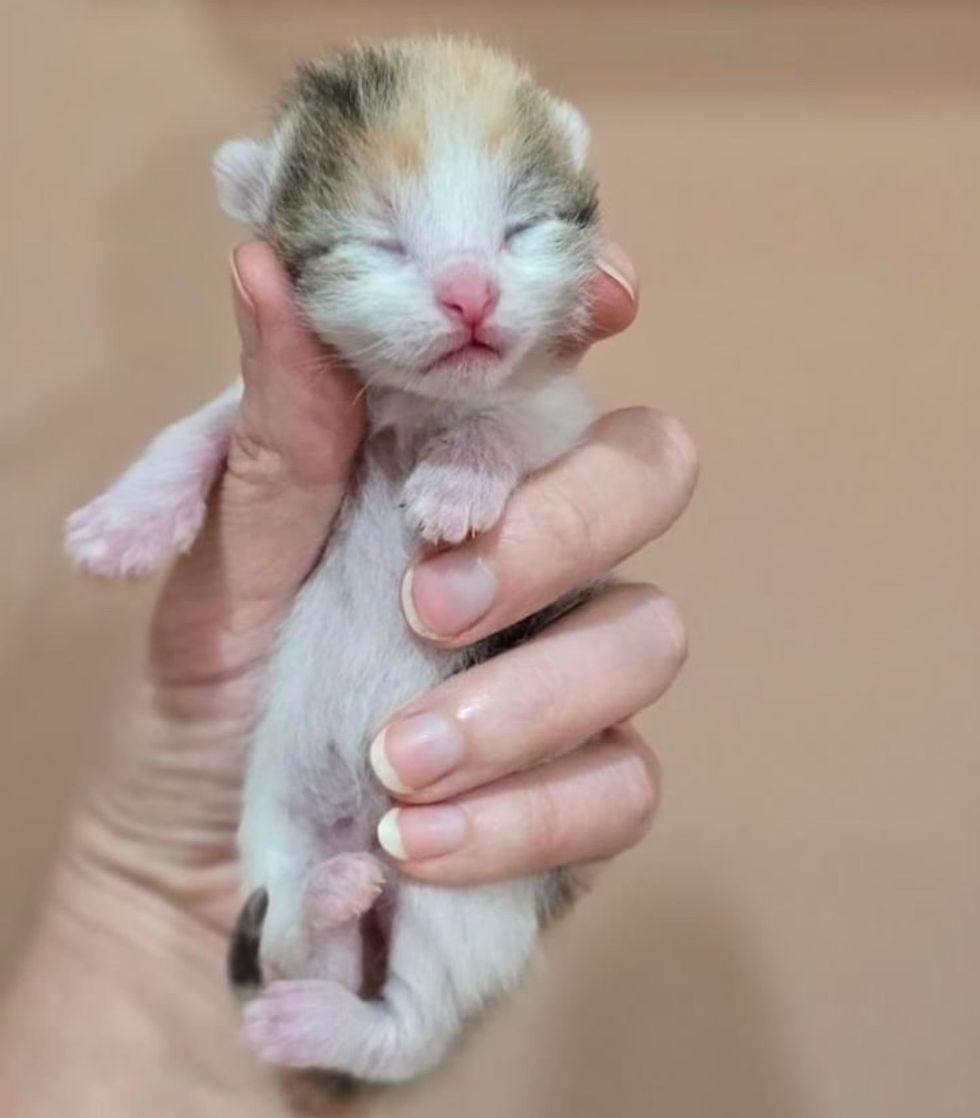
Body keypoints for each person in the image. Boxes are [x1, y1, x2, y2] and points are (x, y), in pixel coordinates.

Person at [0, 241, 697, 1116]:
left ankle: (403, 1019)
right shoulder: (319, 390)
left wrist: (486, 447)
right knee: (297, 861)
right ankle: (332, 974)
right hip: (283, 823)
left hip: (411, 817)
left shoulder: (514, 378)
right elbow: (220, 431)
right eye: (383, 245)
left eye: (513, 235)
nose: (466, 291)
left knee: (457, 887)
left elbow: (537, 420)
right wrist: (151, 902)